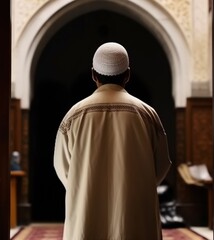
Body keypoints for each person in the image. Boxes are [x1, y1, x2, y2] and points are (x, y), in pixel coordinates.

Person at [53, 42, 172, 240]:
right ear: (128, 75)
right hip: (134, 211)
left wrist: (84, 184)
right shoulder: (147, 114)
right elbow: (160, 166)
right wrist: (137, 183)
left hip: (87, 208)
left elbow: (62, 167)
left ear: (93, 75)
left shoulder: (74, 115)